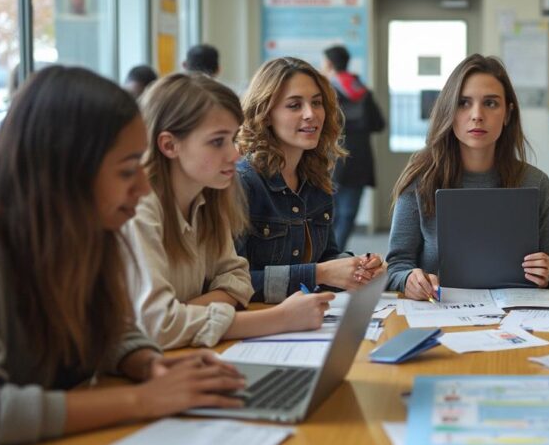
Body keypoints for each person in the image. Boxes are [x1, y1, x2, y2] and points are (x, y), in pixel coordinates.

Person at [0, 66, 244, 445]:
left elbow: (112, 327)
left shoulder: (86, 227)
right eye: (128, 170)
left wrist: (146, 363)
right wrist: (141, 401)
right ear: (66, 168)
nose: (144, 189)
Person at [124, 73, 333, 349]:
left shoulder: (210, 195)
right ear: (169, 145)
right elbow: (159, 325)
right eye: (217, 141)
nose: (235, 154)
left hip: (184, 353)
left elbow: (237, 280)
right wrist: (279, 318)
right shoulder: (139, 208)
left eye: (233, 139)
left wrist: (183, 313)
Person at [386, 54, 549, 299]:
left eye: (491, 103)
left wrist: (546, 277)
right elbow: (396, 268)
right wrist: (409, 279)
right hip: (440, 314)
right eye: (463, 103)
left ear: (507, 114)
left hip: (513, 321)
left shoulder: (535, 183)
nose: (477, 115)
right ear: (449, 111)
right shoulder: (421, 180)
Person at [236, 57, 385, 302]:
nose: (311, 114)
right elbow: (234, 283)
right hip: (258, 327)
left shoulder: (316, 179)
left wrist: (356, 267)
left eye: (317, 103)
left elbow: (326, 256)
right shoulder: (243, 183)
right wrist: (320, 273)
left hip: (305, 322)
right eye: (294, 105)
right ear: (265, 113)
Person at [321, 45, 386, 251]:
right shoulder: (362, 89)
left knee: (327, 213)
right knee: (348, 213)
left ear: (329, 64)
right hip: (360, 157)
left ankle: (328, 257)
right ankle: (337, 254)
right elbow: (379, 124)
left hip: (332, 157)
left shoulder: (326, 92)